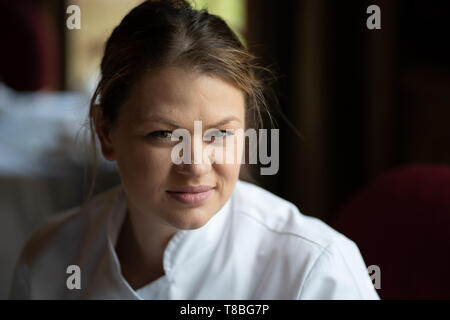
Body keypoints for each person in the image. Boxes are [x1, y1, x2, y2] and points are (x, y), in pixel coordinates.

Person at [9, 0, 379, 300]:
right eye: (163, 134)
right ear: (106, 131)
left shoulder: (312, 270)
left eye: (220, 134)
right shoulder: (50, 258)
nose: (196, 165)